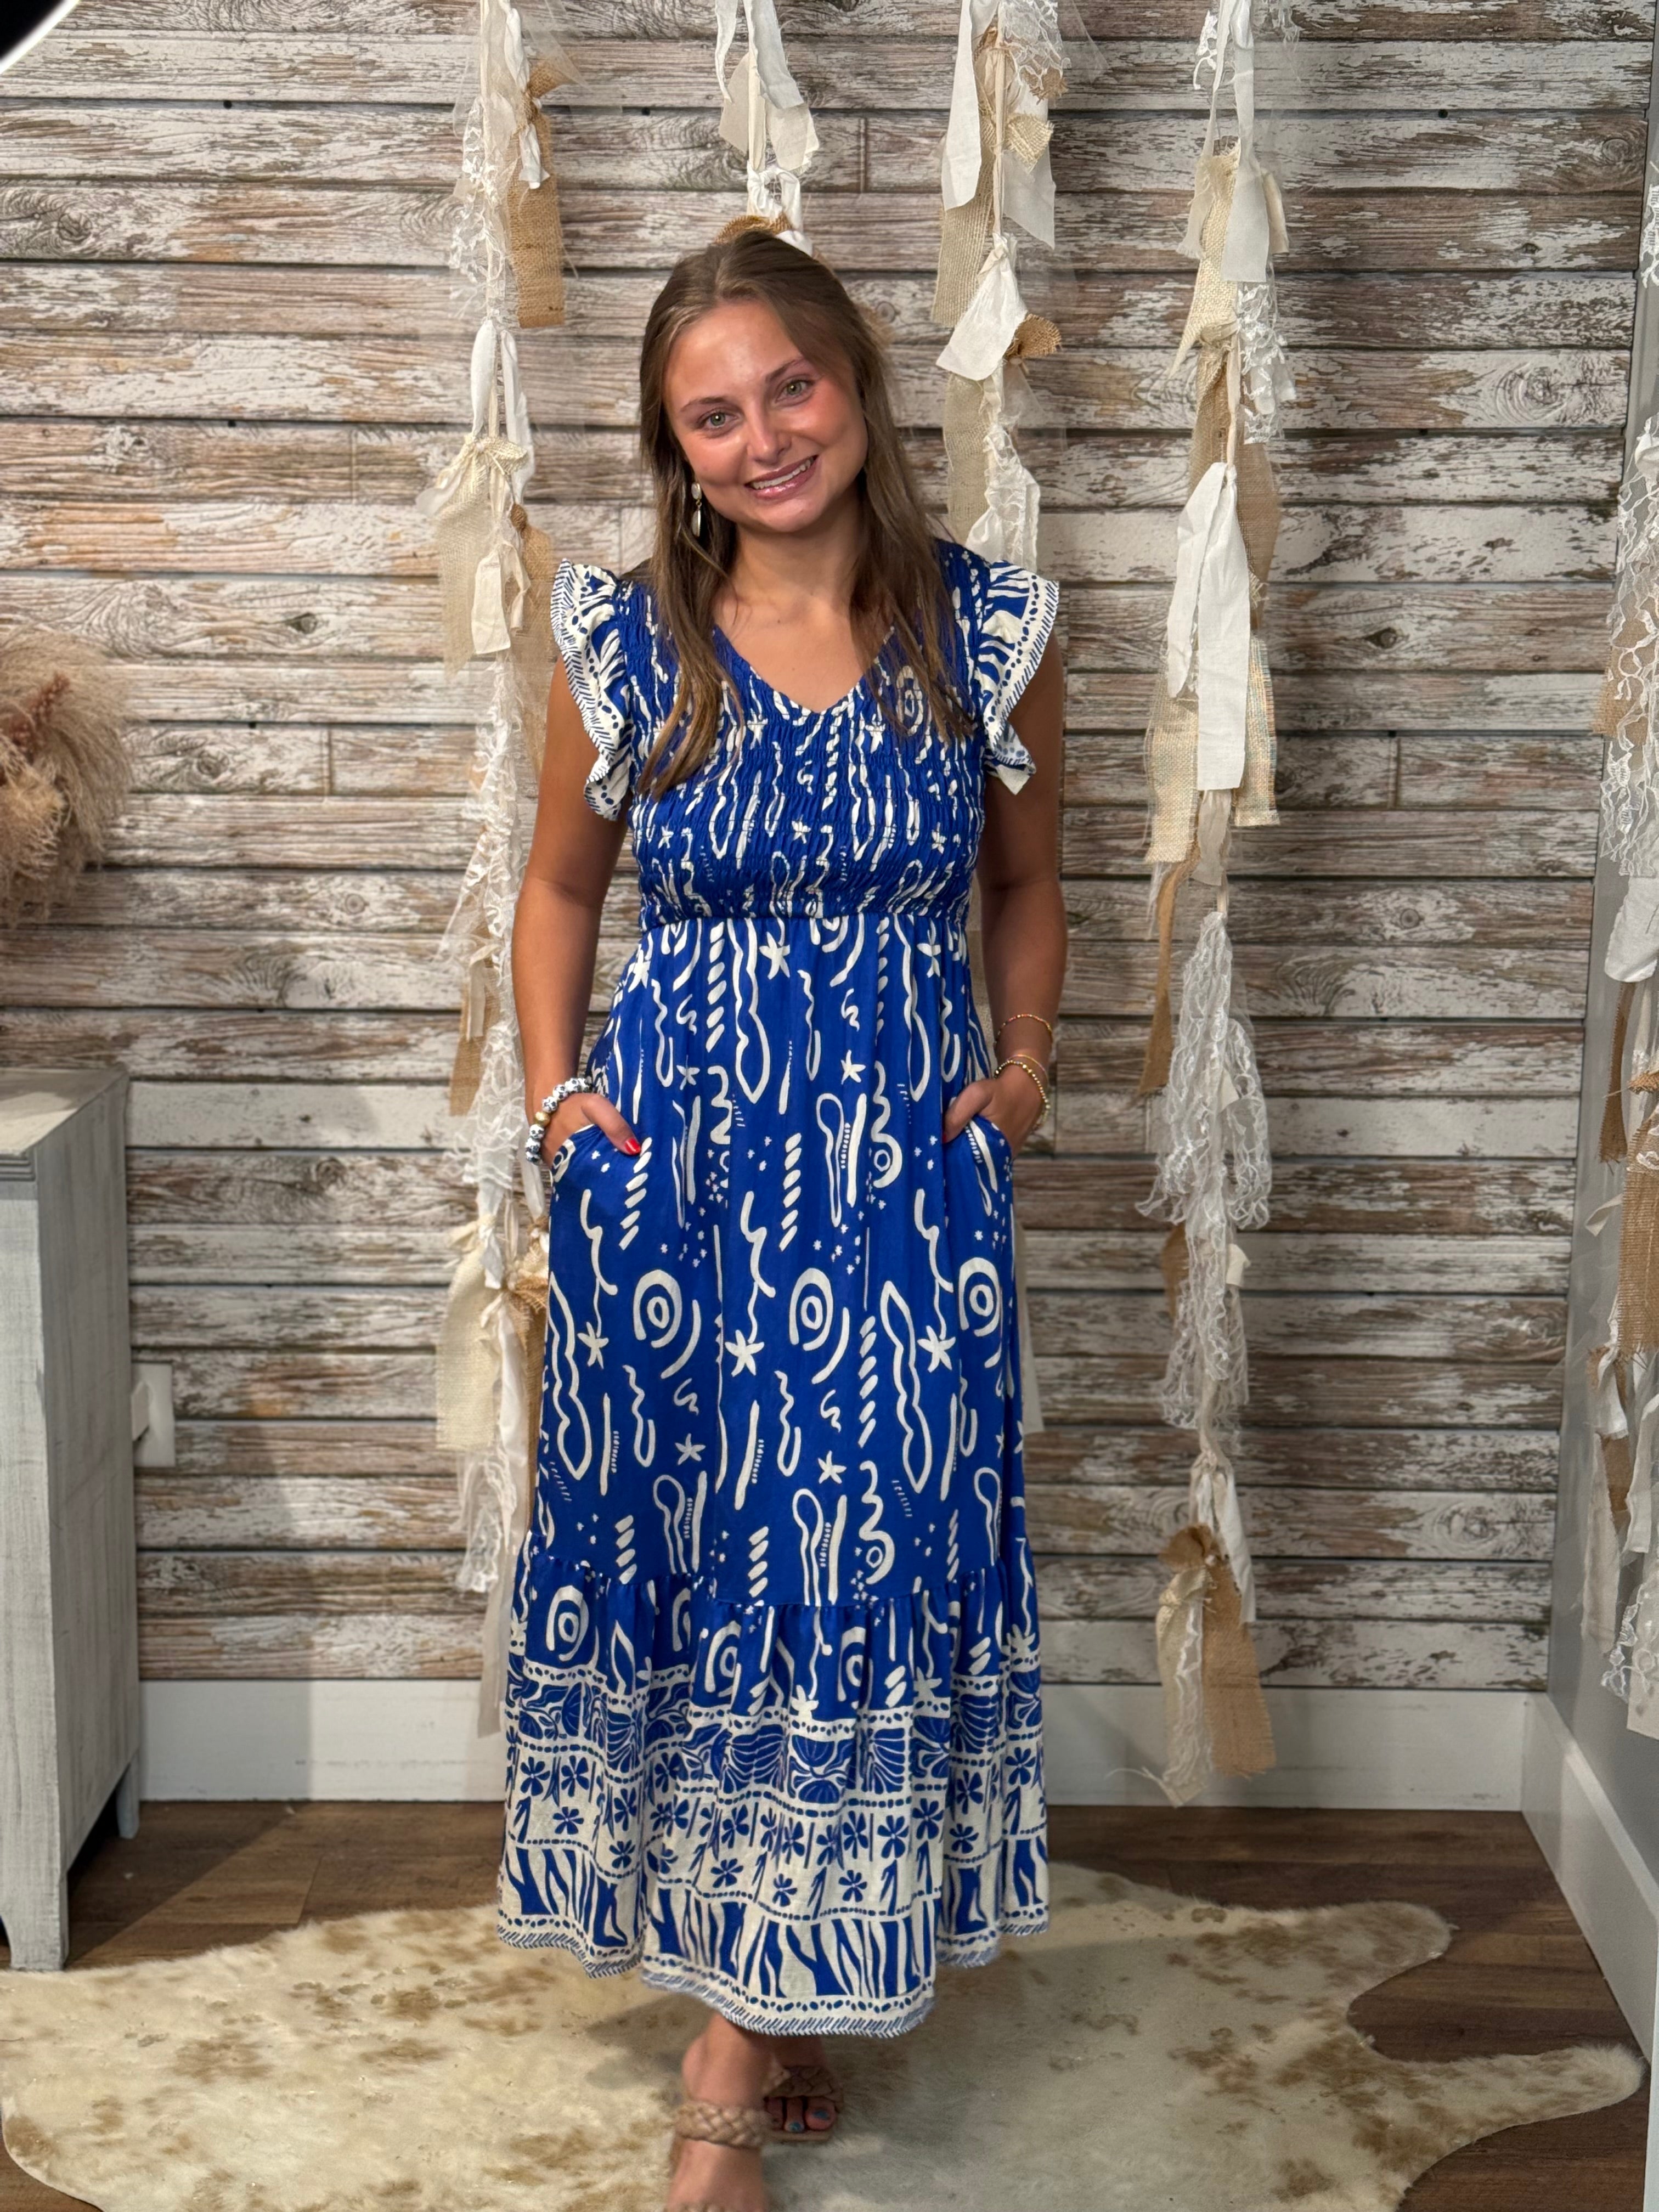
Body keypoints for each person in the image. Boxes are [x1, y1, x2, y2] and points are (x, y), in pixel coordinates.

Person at [500, 223, 1066, 2212]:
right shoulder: (624, 644)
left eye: (790, 387)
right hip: (680, 1186)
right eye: (712, 416)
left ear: (858, 381)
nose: (764, 439)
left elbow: (1026, 883)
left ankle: (729, 2063)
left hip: (901, 1188)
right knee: (709, 1568)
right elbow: (560, 890)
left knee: (858, 1561)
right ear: (675, 449)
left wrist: (1023, 1065)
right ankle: (767, 2005)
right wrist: (563, 1105)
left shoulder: (990, 632)